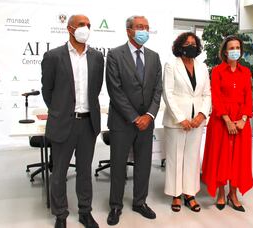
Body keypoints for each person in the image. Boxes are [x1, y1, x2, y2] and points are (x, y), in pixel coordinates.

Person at [41, 14, 104, 228]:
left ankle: (85, 212)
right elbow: (47, 91)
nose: (85, 28)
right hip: (63, 123)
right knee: (59, 172)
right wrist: (60, 111)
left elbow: (95, 89)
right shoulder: (53, 56)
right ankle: (60, 214)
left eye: (88, 25)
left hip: (88, 123)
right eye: (81, 25)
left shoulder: (97, 57)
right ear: (69, 28)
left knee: (85, 171)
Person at [105, 15, 162, 226]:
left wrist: (149, 116)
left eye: (146, 27)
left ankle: (140, 202)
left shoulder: (154, 57)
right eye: (140, 27)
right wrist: (134, 117)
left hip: (147, 123)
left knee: (144, 165)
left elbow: (158, 90)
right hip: (122, 122)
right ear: (129, 30)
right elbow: (115, 90)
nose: (144, 30)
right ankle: (115, 205)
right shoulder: (114, 55)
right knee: (119, 165)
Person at [201, 35, 253, 212]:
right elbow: (215, 96)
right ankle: (221, 193)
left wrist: (244, 119)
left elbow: (248, 97)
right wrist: (227, 120)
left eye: (237, 47)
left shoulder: (245, 72)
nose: (235, 51)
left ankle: (233, 193)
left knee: (238, 158)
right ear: (224, 51)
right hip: (221, 120)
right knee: (220, 157)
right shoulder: (216, 71)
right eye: (231, 48)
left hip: (241, 121)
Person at [162, 32, 211, 213]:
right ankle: (176, 194)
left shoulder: (203, 67)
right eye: (187, 43)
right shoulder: (171, 65)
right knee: (175, 158)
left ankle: (190, 194)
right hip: (177, 121)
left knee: (192, 158)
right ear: (179, 46)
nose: (190, 45)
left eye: (193, 43)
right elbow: (167, 93)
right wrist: (180, 118)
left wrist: (201, 115)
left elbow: (207, 94)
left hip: (196, 121)